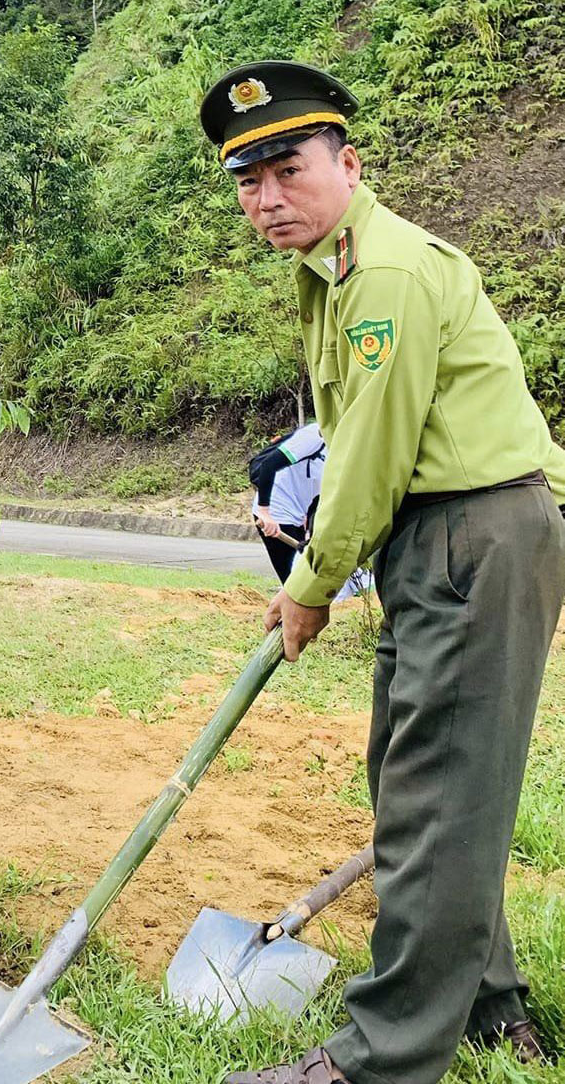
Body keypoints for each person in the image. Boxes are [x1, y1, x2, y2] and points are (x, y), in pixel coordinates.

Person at [201, 61, 562, 1084]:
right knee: (419, 785)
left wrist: (309, 584)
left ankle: (383, 1053)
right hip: (440, 539)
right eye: (245, 181)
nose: (265, 198)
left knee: (439, 796)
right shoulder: (334, 269)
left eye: (286, 169)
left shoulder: (385, 275)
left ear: (347, 164)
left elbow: (370, 457)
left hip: (468, 534)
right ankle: (488, 1005)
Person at [249, 422, 325, 582]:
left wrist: (310, 529)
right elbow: (269, 465)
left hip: (298, 516)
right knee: (296, 584)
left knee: (303, 584)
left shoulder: (342, 451)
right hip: (276, 512)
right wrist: (265, 512)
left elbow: (319, 494)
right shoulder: (314, 435)